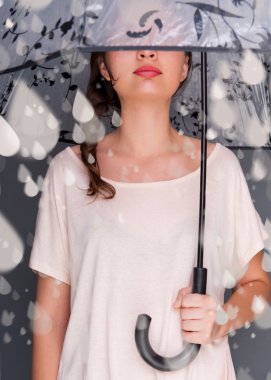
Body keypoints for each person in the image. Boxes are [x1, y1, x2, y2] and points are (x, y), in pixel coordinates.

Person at [29, 50, 271, 380]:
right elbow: (51, 321)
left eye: (166, 36)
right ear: (103, 63)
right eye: (129, 38)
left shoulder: (220, 169)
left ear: (187, 63)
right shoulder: (69, 172)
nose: (147, 51)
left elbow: (259, 285)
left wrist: (222, 318)